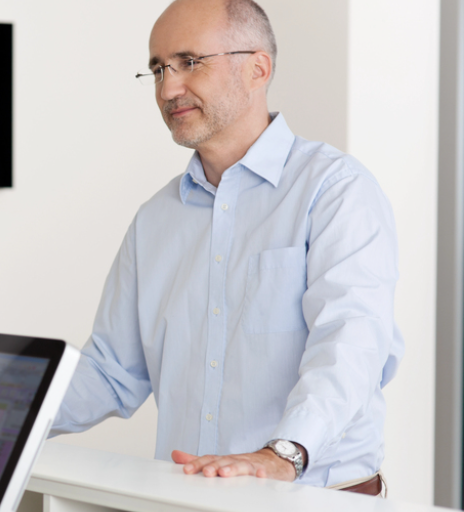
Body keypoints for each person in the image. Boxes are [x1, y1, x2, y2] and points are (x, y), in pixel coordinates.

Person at [51, 0, 402, 496]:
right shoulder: (155, 219)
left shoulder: (335, 191)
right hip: (190, 499)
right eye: (158, 69)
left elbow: (352, 345)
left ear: (258, 68)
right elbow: (110, 372)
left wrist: (282, 454)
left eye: (189, 62)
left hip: (313, 499)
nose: (169, 88)